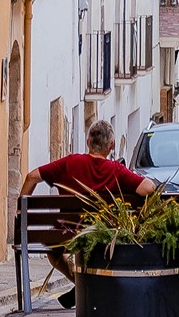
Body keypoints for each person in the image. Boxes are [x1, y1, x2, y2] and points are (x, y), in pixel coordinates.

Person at [19, 121, 157, 309]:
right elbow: (149, 188)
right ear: (111, 146)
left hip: (67, 232)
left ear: (87, 142)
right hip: (104, 233)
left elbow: (32, 177)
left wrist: (21, 212)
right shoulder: (116, 170)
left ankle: (81, 284)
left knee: (53, 249)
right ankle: (88, 286)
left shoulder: (69, 163)